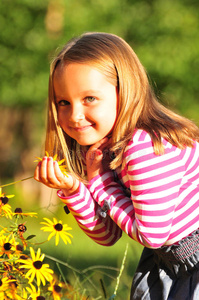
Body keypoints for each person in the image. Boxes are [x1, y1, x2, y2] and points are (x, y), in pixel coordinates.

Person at [34, 32, 199, 299]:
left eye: (89, 99)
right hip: (170, 265)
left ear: (125, 90)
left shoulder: (144, 145)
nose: (75, 116)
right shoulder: (107, 150)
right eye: (63, 102)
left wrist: (100, 184)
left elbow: (151, 235)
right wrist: (76, 190)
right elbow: (108, 234)